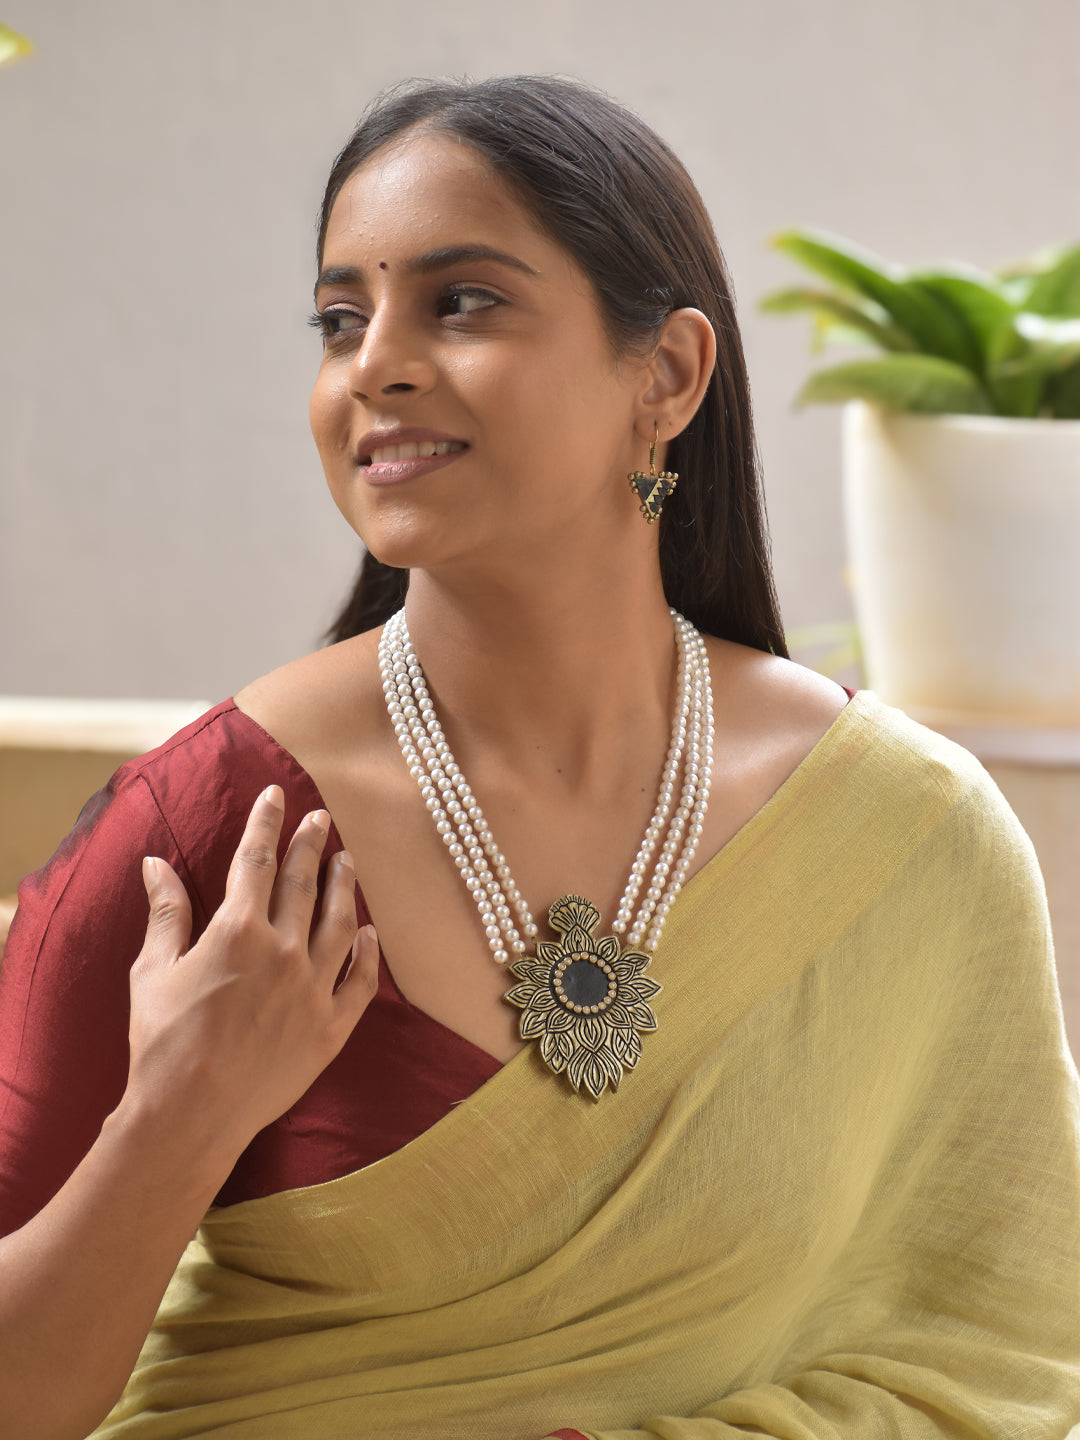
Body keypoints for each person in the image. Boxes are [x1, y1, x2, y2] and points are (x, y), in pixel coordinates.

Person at [0, 75, 1077, 1440]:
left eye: (462, 301)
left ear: (667, 376)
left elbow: (999, 1355)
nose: (375, 363)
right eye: (342, 319)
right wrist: (178, 1117)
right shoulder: (216, 836)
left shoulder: (910, 839)